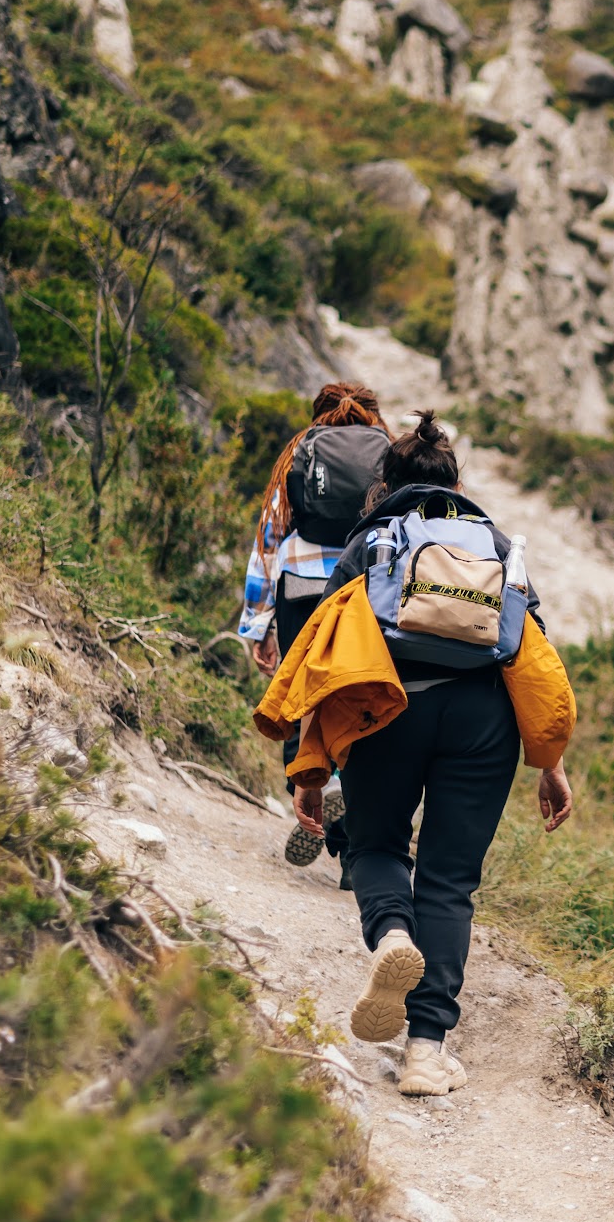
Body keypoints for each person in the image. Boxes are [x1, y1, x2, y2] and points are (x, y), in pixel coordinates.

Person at [298, 411, 576, 1096]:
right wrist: (551, 763)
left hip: (388, 707)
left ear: (383, 484)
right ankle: (425, 1053)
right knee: (450, 880)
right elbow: (531, 652)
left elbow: (326, 654)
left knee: (377, 845)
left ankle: (393, 936)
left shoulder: (372, 540)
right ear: (457, 484)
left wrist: (310, 766)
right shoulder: (496, 543)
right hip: (483, 720)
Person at [238, 382, 388, 878]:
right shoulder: (388, 456)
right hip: (364, 592)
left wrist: (259, 624)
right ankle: (351, 850)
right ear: (373, 415)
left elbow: (269, 537)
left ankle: (314, 792)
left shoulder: (299, 452)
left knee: (302, 697)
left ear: (318, 413)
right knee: (360, 701)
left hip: (301, 588)